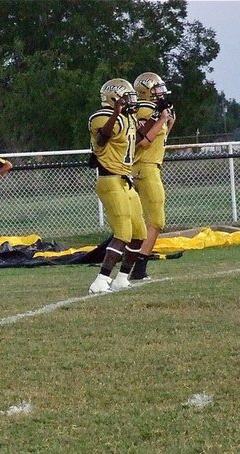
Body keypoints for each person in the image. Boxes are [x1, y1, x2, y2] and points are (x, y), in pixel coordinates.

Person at [87, 78, 147, 294]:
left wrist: (157, 118)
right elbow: (102, 139)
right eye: (127, 97)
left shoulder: (127, 118)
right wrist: (116, 113)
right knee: (123, 232)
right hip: (110, 180)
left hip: (125, 180)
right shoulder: (102, 117)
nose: (132, 101)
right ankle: (100, 280)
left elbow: (140, 139)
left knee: (139, 233)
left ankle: (121, 278)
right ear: (114, 99)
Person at [130, 72, 176, 280]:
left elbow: (159, 138)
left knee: (141, 221)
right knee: (156, 221)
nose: (160, 92)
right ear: (145, 91)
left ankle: (131, 265)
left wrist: (168, 121)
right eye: (156, 88)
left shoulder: (150, 109)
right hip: (146, 168)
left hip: (144, 167)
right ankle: (138, 268)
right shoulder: (145, 109)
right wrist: (162, 118)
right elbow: (144, 141)